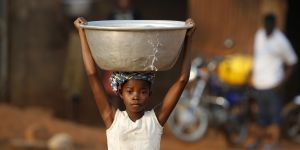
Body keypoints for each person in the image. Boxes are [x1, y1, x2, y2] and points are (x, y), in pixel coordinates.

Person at [74, 17, 195, 150]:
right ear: (120, 92)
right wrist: (82, 33)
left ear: (150, 94)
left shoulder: (154, 121)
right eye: (130, 91)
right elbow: (92, 75)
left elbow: (183, 80)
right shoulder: (113, 120)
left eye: (143, 92)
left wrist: (188, 37)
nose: (136, 96)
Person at [247, 13, 298, 150]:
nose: (268, 26)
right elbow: (257, 57)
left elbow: (293, 62)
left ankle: (273, 144)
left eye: (270, 24)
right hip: (258, 85)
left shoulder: (281, 41)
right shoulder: (259, 35)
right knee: (260, 118)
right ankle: (259, 143)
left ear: (274, 25)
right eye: (266, 24)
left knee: (275, 119)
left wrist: (281, 83)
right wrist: (251, 74)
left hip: (273, 87)